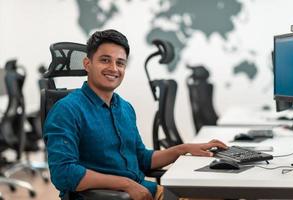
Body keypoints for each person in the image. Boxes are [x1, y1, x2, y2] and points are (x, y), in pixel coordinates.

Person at [43, 29, 227, 200]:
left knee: (222, 194)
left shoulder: (124, 108)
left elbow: (142, 158)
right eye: (105, 60)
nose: (114, 68)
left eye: (120, 63)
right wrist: (125, 184)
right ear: (87, 64)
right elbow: (63, 173)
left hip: (145, 191)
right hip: (114, 197)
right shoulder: (67, 110)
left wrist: (184, 149)